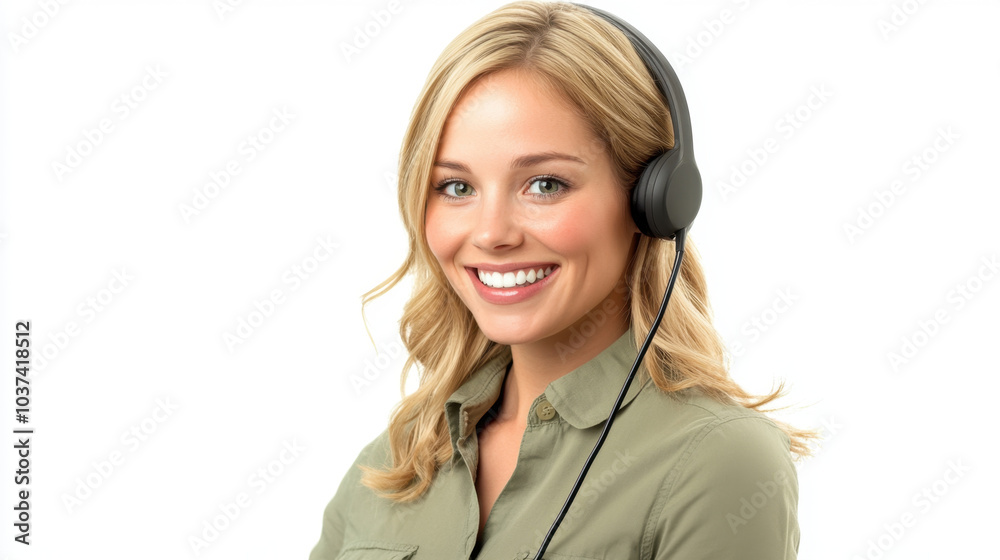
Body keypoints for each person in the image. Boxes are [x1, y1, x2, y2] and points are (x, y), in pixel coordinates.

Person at [309, 2, 816, 558]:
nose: (491, 233)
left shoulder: (718, 462)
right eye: (456, 188)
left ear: (653, 200)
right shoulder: (392, 464)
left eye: (545, 184)